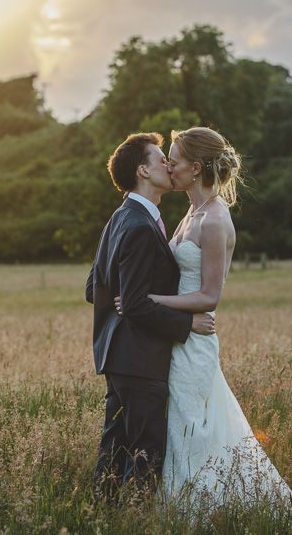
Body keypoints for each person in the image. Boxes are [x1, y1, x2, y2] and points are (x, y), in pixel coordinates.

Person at [115, 126, 292, 512]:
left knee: (188, 426)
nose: (169, 164)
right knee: (178, 424)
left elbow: (209, 296)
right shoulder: (190, 212)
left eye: (176, 159)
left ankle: (192, 511)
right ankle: (180, 504)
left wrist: (148, 299)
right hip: (176, 336)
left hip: (195, 340)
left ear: (196, 167)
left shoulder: (215, 219)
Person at [85, 132, 216, 505]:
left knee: (117, 443)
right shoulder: (141, 226)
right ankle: (135, 516)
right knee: (147, 448)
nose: (169, 165)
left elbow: (93, 288)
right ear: (143, 169)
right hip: (140, 358)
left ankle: (103, 514)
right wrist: (187, 324)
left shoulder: (121, 216)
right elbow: (138, 304)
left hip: (117, 355)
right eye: (161, 159)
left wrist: (122, 304)